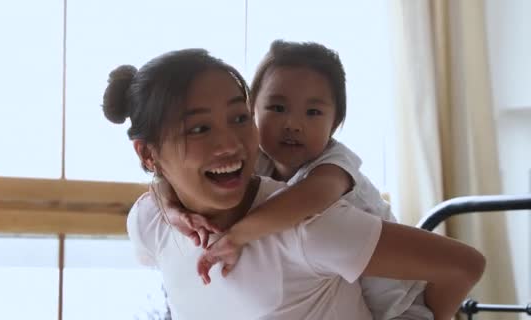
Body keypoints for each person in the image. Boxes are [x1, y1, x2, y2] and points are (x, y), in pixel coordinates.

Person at [104, 48, 485, 320]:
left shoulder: (310, 214)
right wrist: (170, 208)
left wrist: (236, 236)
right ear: (147, 155)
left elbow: (464, 265)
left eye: (237, 119)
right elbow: (159, 193)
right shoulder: (149, 220)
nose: (231, 143)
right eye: (200, 128)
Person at [162, 40, 432, 319]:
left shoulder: (334, 165)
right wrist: (173, 211)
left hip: (400, 307)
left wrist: (236, 237)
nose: (293, 124)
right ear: (252, 109)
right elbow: (164, 178)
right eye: (278, 108)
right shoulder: (258, 159)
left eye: (313, 112)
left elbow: (309, 199)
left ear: (335, 123)